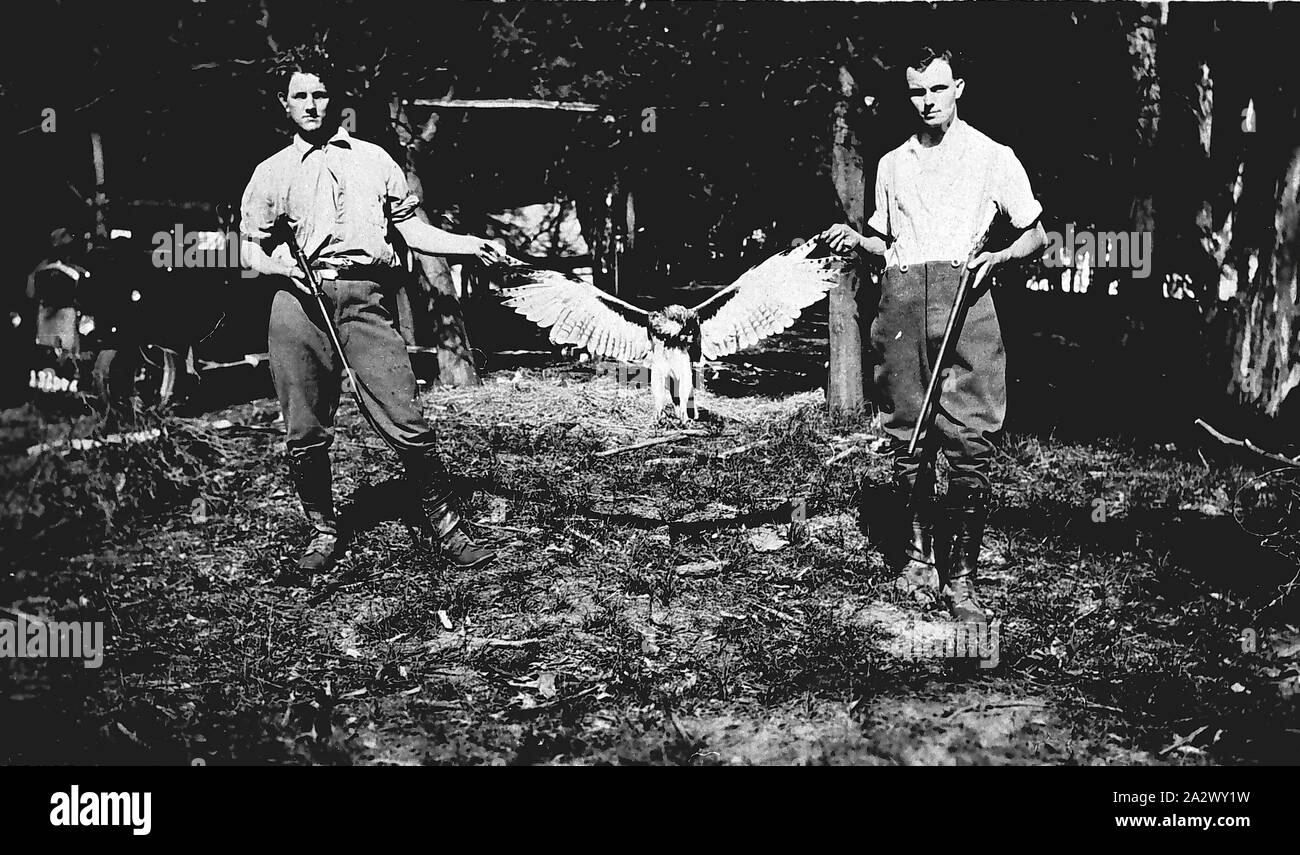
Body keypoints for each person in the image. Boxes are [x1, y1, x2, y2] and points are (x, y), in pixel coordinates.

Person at [239, 45, 504, 581]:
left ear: (335, 99)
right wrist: (280, 266)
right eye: (300, 96)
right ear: (284, 104)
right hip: (297, 303)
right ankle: (322, 529)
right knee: (304, 427)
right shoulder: (271, 171)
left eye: (320, 93)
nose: (312, 105)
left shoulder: (374, 159)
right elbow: (249, 247)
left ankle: (446, 524)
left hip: (364, 297)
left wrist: (467, 244)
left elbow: (411, 228)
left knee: (403, 414)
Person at [822, 46, 1046, 622]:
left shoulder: (993, 156)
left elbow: (1036, 235)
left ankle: (962, 579)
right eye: (918, 91)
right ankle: (916, 561)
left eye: (938, 89)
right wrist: (856, 240)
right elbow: (884, 239)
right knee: (907, 434)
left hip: (967, 300)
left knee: (971, 440)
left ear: (959, 88)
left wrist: (996, 258)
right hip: (900, 303)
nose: (928, 101)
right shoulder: (893, 163)